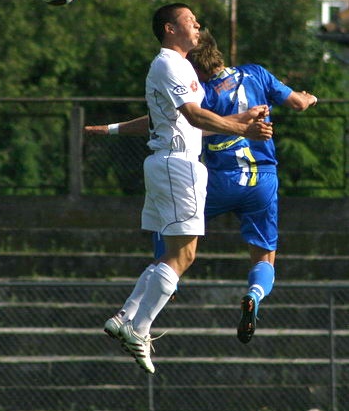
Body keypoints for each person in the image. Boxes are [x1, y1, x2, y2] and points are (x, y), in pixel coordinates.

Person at [86, 28, 317, 349]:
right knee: (264, 255)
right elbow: (296, 103)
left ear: (192, 66)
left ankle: (167, 275)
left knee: (171, 233)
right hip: (261, 180)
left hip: (218, 182)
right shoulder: (256, 74)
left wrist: (110, 129)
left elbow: (157, 121)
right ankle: (254, 295)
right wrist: (306, 98)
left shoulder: (200, 93)